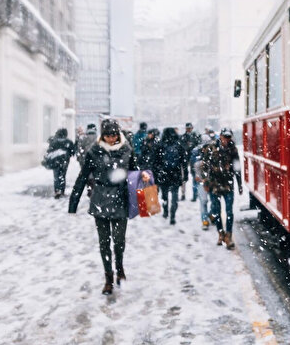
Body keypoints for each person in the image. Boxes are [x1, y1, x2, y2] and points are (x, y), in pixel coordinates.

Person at [69, 119, 147, 295]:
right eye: (107, 135)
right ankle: (108, 278)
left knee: (119, 241)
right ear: (102, 136)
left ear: (118, 135)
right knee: (104, 243)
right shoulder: (95, 152)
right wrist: (73, 203)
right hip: (100, 200)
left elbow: (135, 174)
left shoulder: (127, 151)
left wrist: (143, 185)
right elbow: (83, 177)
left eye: (114, 135)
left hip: (120, 200)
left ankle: (120, 269)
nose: (111, 139)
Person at [200, 127, 243, 249]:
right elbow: (204, 166)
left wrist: (239, 184)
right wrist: (206, 182)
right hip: (214, 185)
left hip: (228, 185)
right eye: (225, 137)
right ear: (221, 136)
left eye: (229, 137)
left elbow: (237, 168)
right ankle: (220, 233)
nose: (227, 140)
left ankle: (228, 235)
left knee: (229, 212)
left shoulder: (233, 149)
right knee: (216, 211)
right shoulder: (211, 148)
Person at [153, 127, 188, 225]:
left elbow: (155, 163)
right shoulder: (179, 146)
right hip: (175, 174)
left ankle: (165, 211)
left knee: (165, 196)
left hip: (164, 174)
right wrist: (185, 175)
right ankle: (173, 215)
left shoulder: (160, 145)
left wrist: (156, 177)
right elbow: (184, 163)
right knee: (174, 196)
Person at [45, 128, 76, 198]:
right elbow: (72, 151)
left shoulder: (54, 141)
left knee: (56, 176)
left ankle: (57, 191)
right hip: (65, 161)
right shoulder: (68, 141)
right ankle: (62, 190)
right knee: (63, 175)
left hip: (55, 161)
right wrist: (67, 155)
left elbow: (49, 151)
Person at [192, 134, 214, 230]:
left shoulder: (213, 150)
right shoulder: (195, 151)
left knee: (214, 200)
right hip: (200, 178)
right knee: (204, 200)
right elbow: (192, 164)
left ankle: (210, 215)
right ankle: (204, 219)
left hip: (212, 178)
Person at [181, 123, 200, 200]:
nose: (189, 130)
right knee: (184, 178)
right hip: (186, 158)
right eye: (188, 128)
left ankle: (195, 194)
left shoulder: (194, 136)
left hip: (192, 158)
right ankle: (183, 194)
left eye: (190, 128)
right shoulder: (183, 137)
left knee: (194, 176)